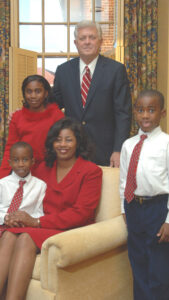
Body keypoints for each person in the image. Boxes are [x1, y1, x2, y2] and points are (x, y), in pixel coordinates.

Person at [0, 117, 102, 300]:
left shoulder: (91, 171)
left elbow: (82, 213)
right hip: (40, 225)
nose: (62, 144)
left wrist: (36, 222)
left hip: (69, 229)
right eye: (58, 139)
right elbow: (18, 183)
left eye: (68, 139)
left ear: (78, 142)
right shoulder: (40, 168)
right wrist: (12, 216)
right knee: (8, 234)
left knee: (25, 237)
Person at [53, 20, 132, 167]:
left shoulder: (116, 70)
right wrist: (24, 112)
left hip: (106, 152)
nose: (87, 42)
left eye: (92, 37)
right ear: (76, 43)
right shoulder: (63, 71)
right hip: (71, 151)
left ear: (100, 41)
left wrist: (118, 149)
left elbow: (123, 113)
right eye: (82, 38)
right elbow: (51, 106)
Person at [119, 90, 169, 300]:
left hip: (158, 208)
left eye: (151, 110)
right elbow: (123, 180)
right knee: (138, 263)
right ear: (135, 113)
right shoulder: (128, 145)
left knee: (158, 268)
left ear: (162, 113)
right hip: (134, 208)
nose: (145, 115)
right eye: (140, 110)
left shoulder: (166, 144)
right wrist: (124, 209)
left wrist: (168, 220)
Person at [0, 74, 64, 179]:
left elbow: (62, 149)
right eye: (29, 91)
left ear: (46, 93)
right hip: (23, 171)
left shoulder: (57, 116)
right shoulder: (17, 117)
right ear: (24, 94)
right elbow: (10, 149)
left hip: (50, 170)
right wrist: (2, 178)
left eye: (38, 91)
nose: (33, 96)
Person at [0, 141, 46, 230]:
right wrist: (6, 218)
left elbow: (39, 212)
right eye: (16, 160)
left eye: (25, 160)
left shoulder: (40, 186)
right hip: (2, 224)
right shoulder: (2, 184)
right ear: (9, 162)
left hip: (25, 227)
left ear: (32, 161)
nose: (20, 164)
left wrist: (23, 220)